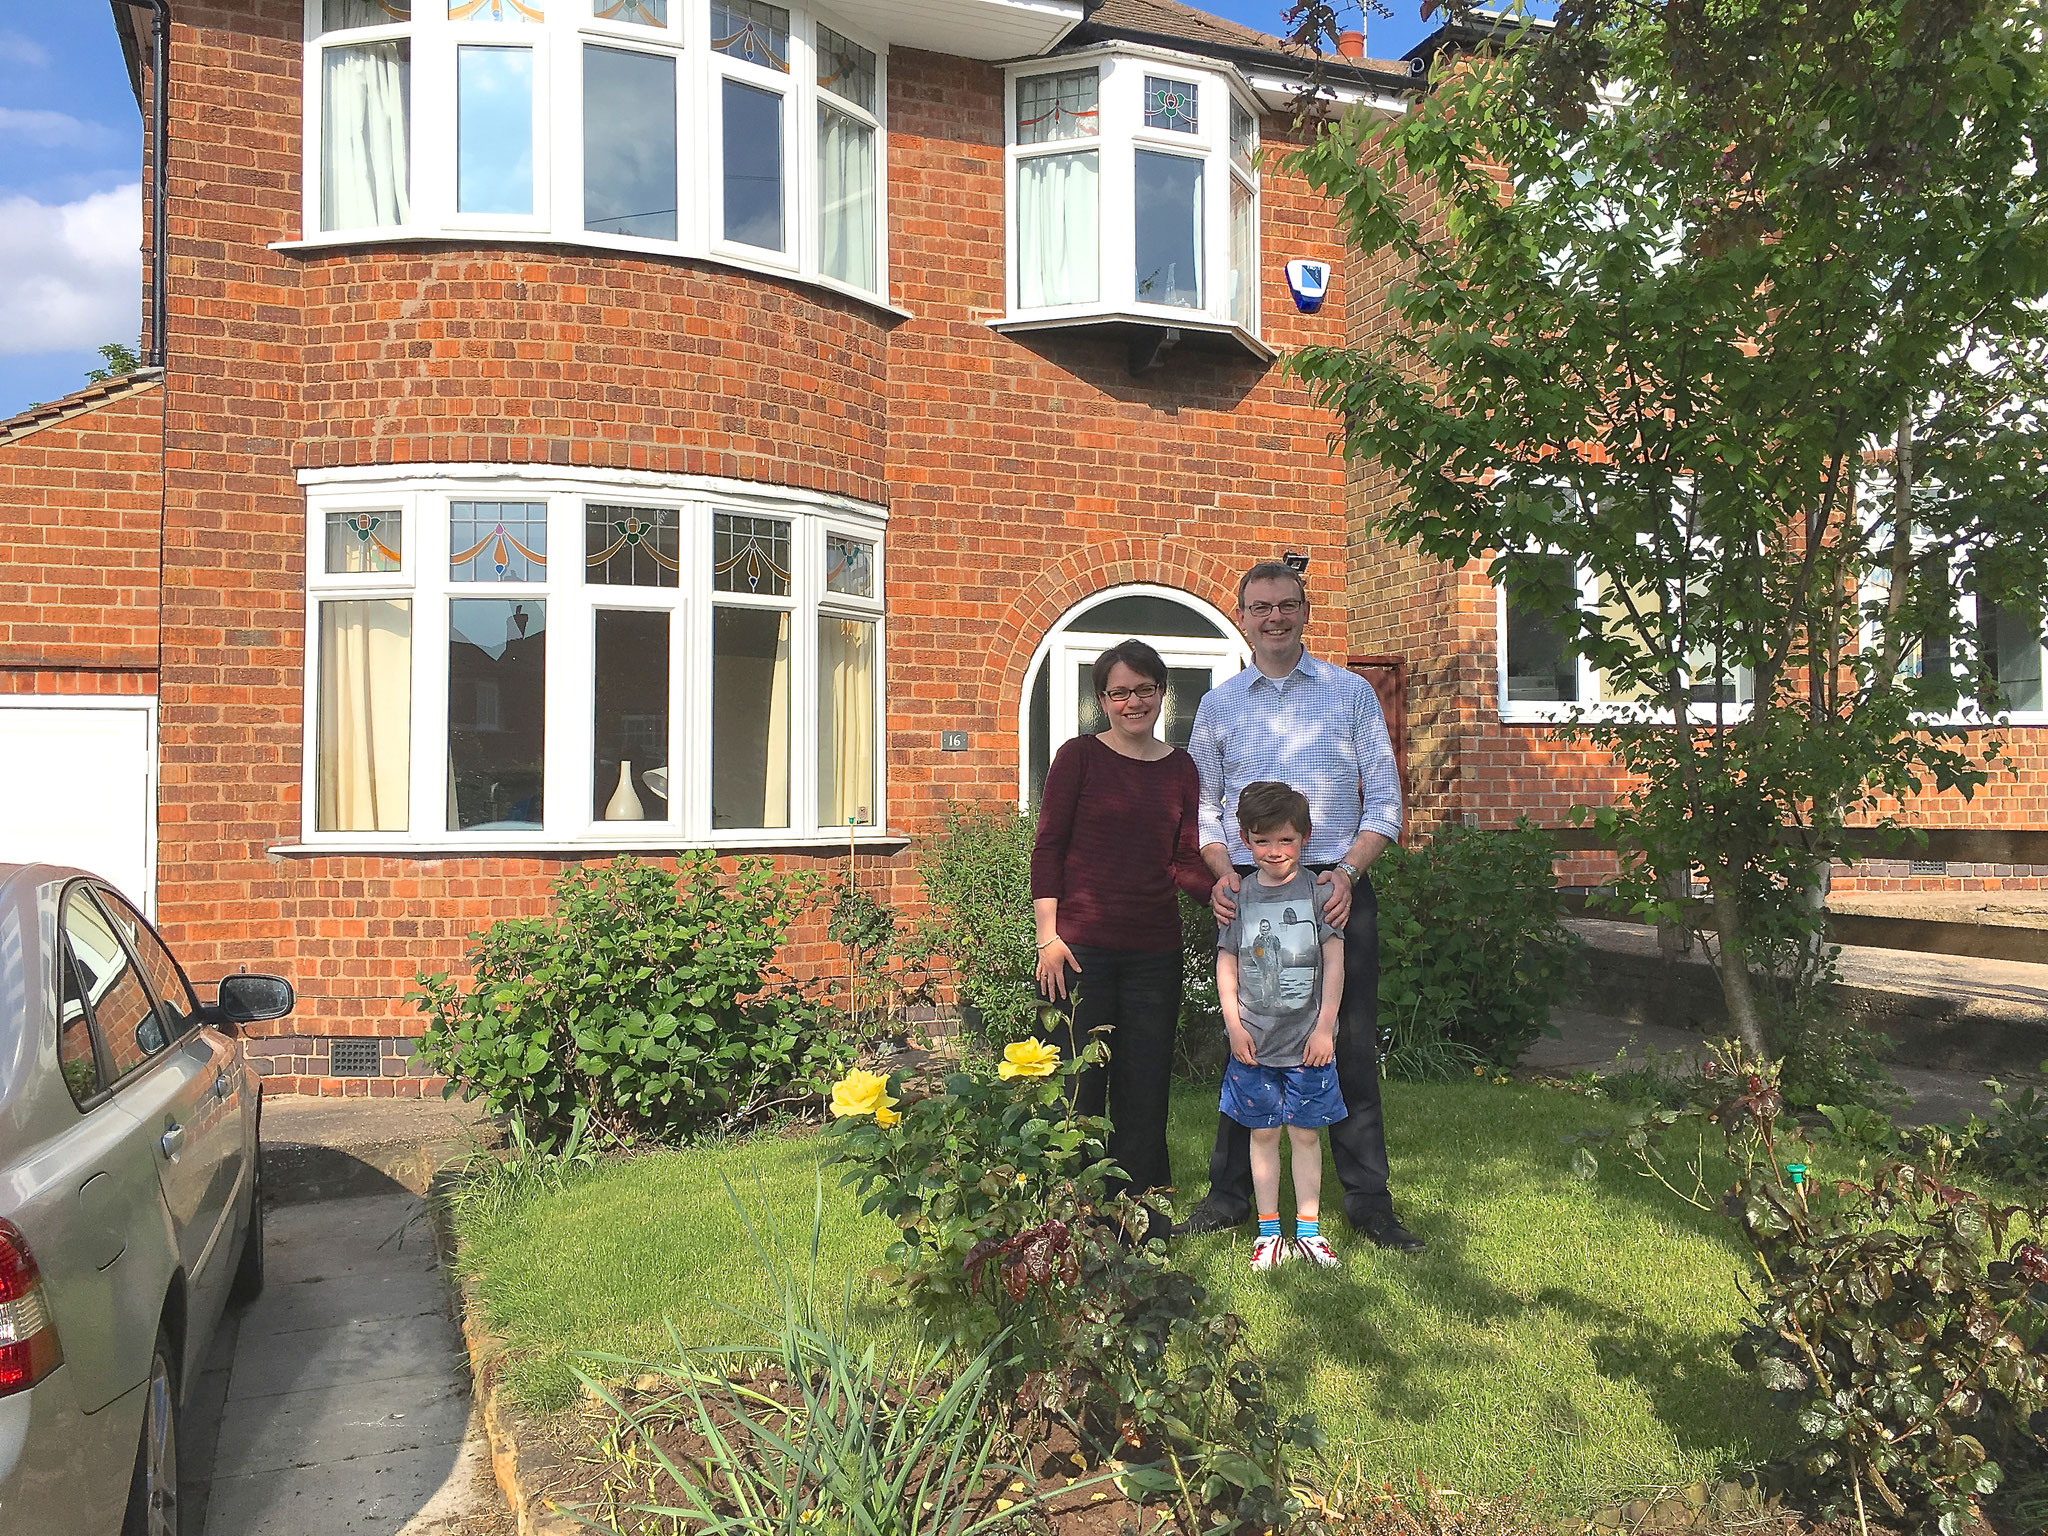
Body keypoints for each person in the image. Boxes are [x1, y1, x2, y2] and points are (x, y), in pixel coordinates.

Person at [1185, 560, 1425, 1252]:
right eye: (1260, 607)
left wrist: (1348, 872)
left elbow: (1384, 803)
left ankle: (1369, 1203)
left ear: (1305, 610)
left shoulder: (1350, 695)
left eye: (1286, 605)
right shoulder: (1219, 705)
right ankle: (1231, 1195)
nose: (1274, 618)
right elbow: (1202, 808)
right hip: (1251, 893)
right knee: (1249, 1045)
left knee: (1346, 1044)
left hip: (1332, 891)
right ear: (1243, 616)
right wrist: (1219, 872)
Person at [1031, 639, 1214, 1211]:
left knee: (1145, 1083)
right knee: (1077, 1083)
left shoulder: (1181, 767)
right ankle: (1074, 1205)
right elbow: (1050, 848)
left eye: (1144, 690)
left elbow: (1184, 860)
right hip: (1079, 950)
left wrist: (1236, 895)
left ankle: (1138, 1206)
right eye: (1119, 692)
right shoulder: (1078, 757)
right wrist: (1048, 938)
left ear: (1162, 693)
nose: (1133, 702)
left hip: (1154, 952)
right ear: (1101, 700)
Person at [1216, 781, 1347, 1272]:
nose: (1274, 851)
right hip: (1253, 1041)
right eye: (1263, 840)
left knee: (1306, 1136)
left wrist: (1325, 1028)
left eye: (1286, 840)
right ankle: (1269, 1233)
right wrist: (1233, 1025)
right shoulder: (1238, 895)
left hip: (1308, 1043)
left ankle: (1309, 1233)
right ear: (1245, 840)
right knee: (1263, 1136)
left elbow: (1334, 962)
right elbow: (1226, 962)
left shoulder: (1318, 893)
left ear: (1305, 838)